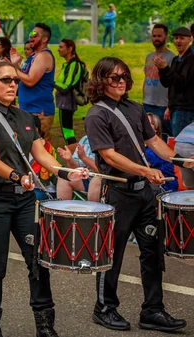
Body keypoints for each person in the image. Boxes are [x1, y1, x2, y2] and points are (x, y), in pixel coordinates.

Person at [0, 61, 87, 337]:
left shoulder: (25, 117)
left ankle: (45, 325)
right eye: (6, 80)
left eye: (15, 80)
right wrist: (16, 176)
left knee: (38, 260)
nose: (13, 84)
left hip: (24, 201)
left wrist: (66, 170)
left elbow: (41, 155)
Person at [84, 56, 189, 332]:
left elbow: (154, 141)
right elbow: (109, 155)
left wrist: (180, 160)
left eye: (124, 77)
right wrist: (144, 171)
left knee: (152, 252)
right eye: (114, 77)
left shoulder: (135, 107)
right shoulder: (97, 114)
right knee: (112, 253)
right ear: (101, 80)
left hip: (144, 195)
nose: (121, 82)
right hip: (119, 194)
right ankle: (104, 308)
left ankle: (152, 310)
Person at [17, 23, 55, 141]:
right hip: (28, 110)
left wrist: (11, 67)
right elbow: (23, 77)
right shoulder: (34, 56)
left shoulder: (44, 56)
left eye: (35, 34)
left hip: (39, 111)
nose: (31, 37)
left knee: (42, 150)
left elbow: (30, 81)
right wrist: (13, 64)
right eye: (30, 34)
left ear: (44, 39)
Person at [155, 27, 194, 137]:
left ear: (190, 40)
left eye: (182, 38)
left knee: (180, 142)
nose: (178, 41)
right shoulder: (175, 60)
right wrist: (162, 69)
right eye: (176, 38)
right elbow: (167, 83)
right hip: (175, 108)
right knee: (173, 139)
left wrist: (166, 68)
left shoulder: (191, 59)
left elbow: (181, 82)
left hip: (185, 109)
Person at [143, 24, 175, 139]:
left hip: (163, 105)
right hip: (147, 103)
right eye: (154, 36)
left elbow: (173, 84)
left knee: (164, 137)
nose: (156, 38)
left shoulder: (172, 58)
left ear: (166, 37)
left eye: (159, 36)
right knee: (148, 136)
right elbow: (146, 79)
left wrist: (169, 106)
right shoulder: (149, 57)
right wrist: (144, 99)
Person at [54, 39, 83, 152]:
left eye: (61, 47)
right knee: (66, 129)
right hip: (63, 102)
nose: (58, 49)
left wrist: (52, 83)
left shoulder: (74, 64)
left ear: (70, 49)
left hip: (67, 102)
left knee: (67, 130)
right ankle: (73, 152)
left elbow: (67, 86)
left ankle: (74, 153)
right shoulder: (67, 64)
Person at [56, 136, 101, 201]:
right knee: (64, 176)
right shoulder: (85, 139)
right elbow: (75, 169)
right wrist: (70, 159)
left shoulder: (107, 140)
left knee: (96, 179)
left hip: (103, 181)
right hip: (85, 179)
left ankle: (93, 210)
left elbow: (102, 170)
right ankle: (62, 209)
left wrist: (84, 158)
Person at [146, 113, 178, 193]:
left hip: (164, 186)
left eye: (147, 123)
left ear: (156, 129)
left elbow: (140, 165)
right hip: (151, 184)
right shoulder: (141, 145)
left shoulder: (156, 149)